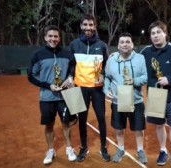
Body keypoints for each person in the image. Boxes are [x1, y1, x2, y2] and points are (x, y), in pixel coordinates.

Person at [141, 21, 171, 168]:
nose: (155, 36)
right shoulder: (145, 52)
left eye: (158, 32)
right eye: (152, 33)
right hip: (155, 97)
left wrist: (170, 79)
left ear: (165, 34)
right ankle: (163, 150)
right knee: (159, 126)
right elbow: (133, 62)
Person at [28, 25, 77, 165]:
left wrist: (70, 76)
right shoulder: (38, 55)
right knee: (49, 125)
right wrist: (47, 85)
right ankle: (50, 150)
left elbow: (73, 67)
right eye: (50, 36)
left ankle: (69, 148)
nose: (53, 39)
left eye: (56, 36)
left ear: (59, 38)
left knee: (66, 123)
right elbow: (31, 76)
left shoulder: (67, 54)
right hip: (47, 97)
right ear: (45, 37)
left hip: (64, 96)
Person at [69, 14, 110, 162]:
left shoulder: (102, 45)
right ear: (81, 26)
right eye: (85, 24)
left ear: (95, 26)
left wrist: (103, 76)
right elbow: (71, 64)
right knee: (82, 119)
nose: (88, 28)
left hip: (97, 89)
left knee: (101, 119)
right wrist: (70, 78)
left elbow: (106, 65)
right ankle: (84, 147)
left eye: (91, 25)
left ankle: (103, 147)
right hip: (80, 88)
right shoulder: (74, 44)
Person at [103, 32, 148, 164]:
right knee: (119, 127)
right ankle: (121, 148)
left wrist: (134, 80)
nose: (125, 44)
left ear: (132, 44)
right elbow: (107, 76)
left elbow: (145, 77)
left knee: (138, 128)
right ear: (118, 45)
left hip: (136, 100)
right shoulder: (111, 60)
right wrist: (106, 89)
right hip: (118, 101)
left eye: (128, 42)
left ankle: (140, 150)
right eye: (122, 42)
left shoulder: (140, 58)